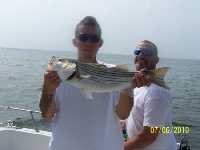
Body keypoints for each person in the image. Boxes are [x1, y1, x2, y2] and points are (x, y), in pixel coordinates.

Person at [39, 16, 151, 150]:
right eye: (83, 37)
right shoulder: (56, 78)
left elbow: (123, 114)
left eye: (94, 38)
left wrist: (128, 85)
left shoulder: (114, 72)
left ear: (100, 43)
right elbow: (47, 116)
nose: (88, 42)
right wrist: (47, 89)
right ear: (75, 41)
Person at [123, 40, 177, 150]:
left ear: (156, 60)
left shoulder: (157, 93)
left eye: (147, 52)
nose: (141, 55)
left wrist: (116, 147)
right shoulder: (137, 85)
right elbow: (140, 113)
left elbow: (148, 137)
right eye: (137, 52)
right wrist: (125, 122)